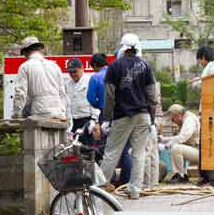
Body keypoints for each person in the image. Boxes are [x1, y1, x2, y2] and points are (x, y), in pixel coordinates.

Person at [100, 33, 157, 199]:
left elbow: (109, 95)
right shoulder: (146, 66)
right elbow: (153, 96)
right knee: (139, 154)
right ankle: (135, 190)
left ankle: (99, 188)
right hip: (143, 115)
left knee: (112, 152)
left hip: (122, 115)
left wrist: (107, 118)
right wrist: (152, 120)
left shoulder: (114, 66)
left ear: (122, 48)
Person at [87, 53, 132, 189]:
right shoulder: (119, 74)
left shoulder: (95, 77)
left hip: (106, 115)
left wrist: (99, 104)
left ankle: (109, 180)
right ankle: (125, 181)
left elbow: (90, 98)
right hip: (124, 114)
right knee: (124, 149)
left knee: (108, 149)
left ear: (94, 65)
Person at [12, 37, 67, 120]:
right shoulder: (55, 66)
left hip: (39, 112)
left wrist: (16, 114)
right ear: (40, 49)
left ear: (26, 52)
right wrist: (62, 111)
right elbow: (63, 93)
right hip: (58, 112)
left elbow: (20, 94)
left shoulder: (25, 67)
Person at [160, 104, 201, 184]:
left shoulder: (189, 120)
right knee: (179, 147)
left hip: (200, 153)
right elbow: (180, 138)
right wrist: (163, 140)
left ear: (177, 115)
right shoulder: (185, 119)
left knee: (176, 148)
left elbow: (183, 137)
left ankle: (180, 175)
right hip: (196, 151)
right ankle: (183, 175)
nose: (173, 122)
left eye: (172, 119)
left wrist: (167, 144)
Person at [64, 58, 97, 138]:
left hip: (87, 120)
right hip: (72, 121)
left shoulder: (90, 81)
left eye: (75, 71)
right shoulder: (67, 84)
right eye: (70, 72)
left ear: (82, 68)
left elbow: (95, 101)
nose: (72, 74)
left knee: (87, 148)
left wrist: (94, 119)